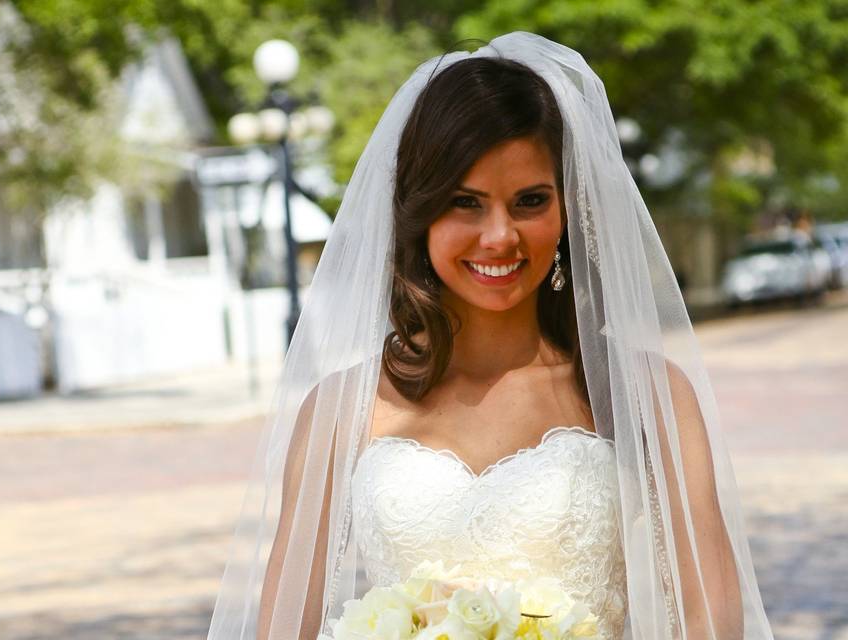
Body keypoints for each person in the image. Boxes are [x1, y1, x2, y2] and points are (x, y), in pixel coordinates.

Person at [206, 32, 775, 640]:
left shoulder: (646, 394)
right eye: (465, 203)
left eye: (530, 200)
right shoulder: (342, 409)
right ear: (418, 213)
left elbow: (710, 621)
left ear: (569, 210)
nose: (500, 236)